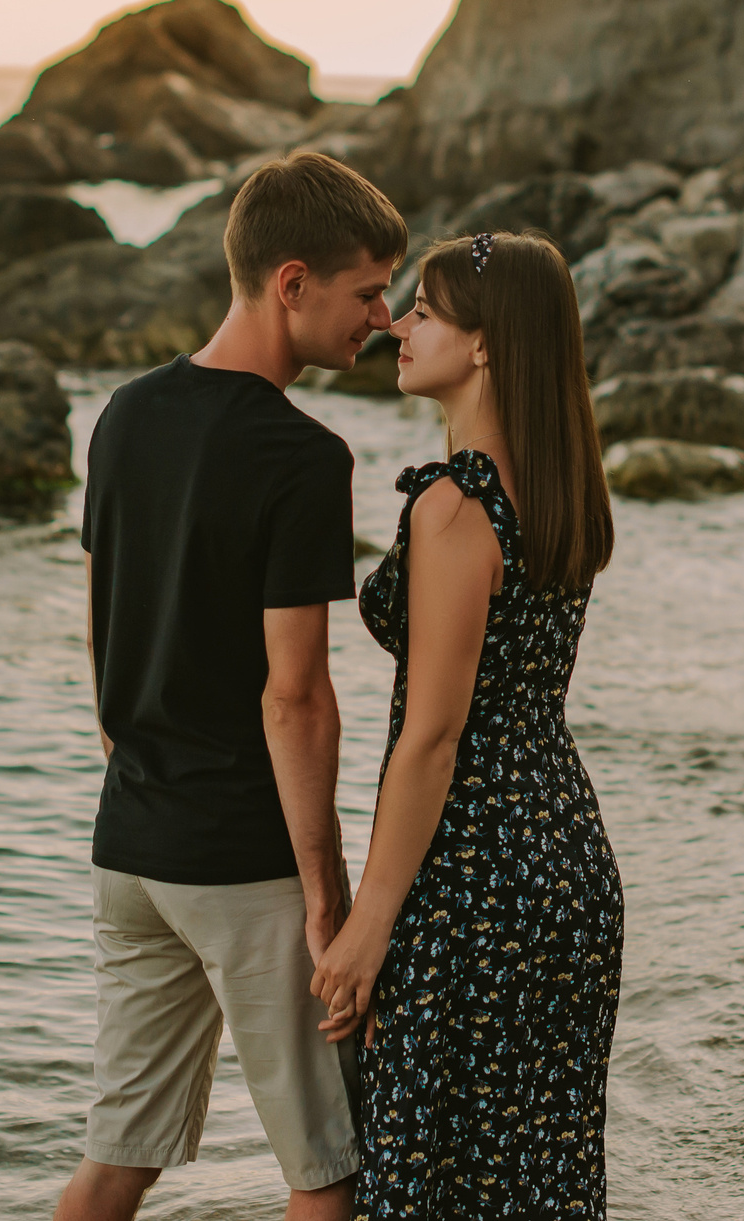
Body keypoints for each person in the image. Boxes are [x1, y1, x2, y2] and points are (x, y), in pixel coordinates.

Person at [56, 151, 406, 1221]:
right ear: (291, 281)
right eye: (367, 292)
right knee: (327, 1170)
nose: (384, 318)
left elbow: (100, 624)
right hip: (242, 857)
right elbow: (294, 695)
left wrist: (137, 767)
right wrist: (327, 893)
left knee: (118, 1157)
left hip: (132, 847)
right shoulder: (299, 456)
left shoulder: (122, 414)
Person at [311, 228, 624, 1220]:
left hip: (473, 879)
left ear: (485, 344)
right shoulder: (559, 489)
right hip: (565, 866)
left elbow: (434, 738)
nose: (398, 326)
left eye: (426, 311)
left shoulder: (455, 507)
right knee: (534, 1180)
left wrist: (365, 926)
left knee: (426, 1181)